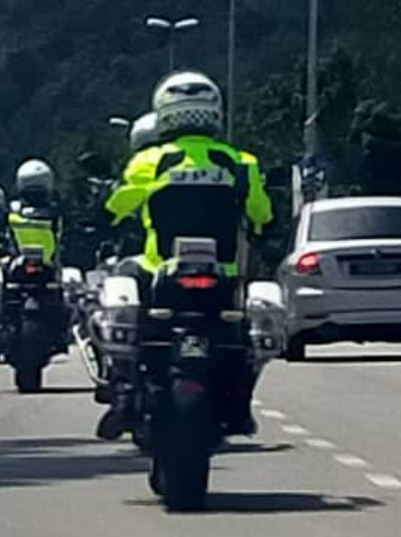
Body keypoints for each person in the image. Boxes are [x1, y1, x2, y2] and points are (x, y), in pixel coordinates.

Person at [96, 70, 274, 440]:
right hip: (223, 275)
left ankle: (124, 394)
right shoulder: (241, 162)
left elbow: (115, 207)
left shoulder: (150, 160)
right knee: (243, 338)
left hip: (158, 271)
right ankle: (240, 403)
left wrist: (104, 215)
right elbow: (262, 215)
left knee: (122, 301)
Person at [9, 158, 69, 352]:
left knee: (68, 293)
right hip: (44, 264)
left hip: (27, 264)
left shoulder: (13, 209)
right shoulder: (57, 210)